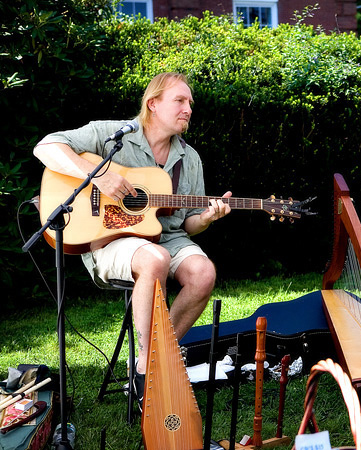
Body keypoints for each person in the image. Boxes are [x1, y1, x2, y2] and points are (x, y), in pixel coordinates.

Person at [33, 72, 231, 411]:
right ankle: (153, 370)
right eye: (180, 101)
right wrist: (96, 174)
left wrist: (208, 217)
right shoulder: (112, 135)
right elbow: (46, 146)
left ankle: (148, 363)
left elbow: (187, 224)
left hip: (167, 237)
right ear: (153, 104)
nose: (188, 109)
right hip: (109, 242)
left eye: (190, 104)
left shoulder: (190, 159)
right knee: (154, 258)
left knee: (203, 273)